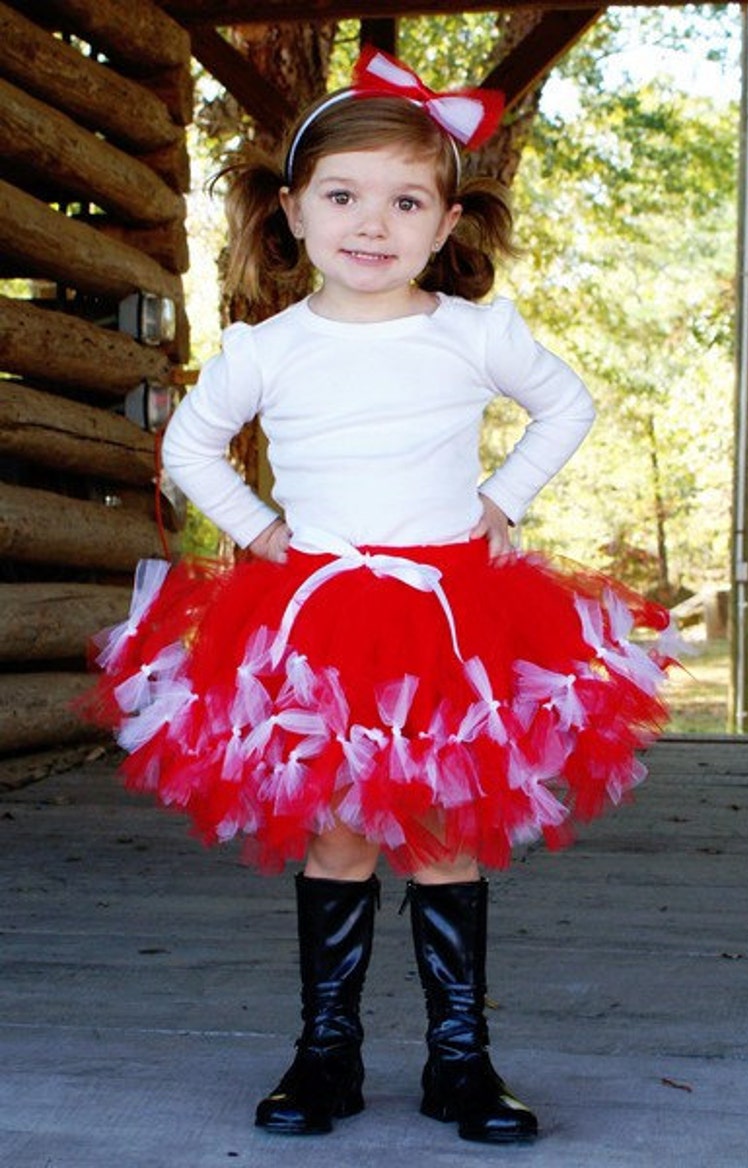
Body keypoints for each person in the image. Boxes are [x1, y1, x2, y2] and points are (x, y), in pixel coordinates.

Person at [87, 47, 675, 1146]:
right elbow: (192, 444)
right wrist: (260, 531)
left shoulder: (472, 333)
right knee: (342, 831)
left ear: (445, 224)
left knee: (445, 828)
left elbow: (565, 406)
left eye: (406, 201)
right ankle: (328, 1051)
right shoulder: (269, 347)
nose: (373, 223)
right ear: (295, 215)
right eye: (343, 197)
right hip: (320, 621)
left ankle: (460, 1059)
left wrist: (501, 500)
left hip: (449, 616)